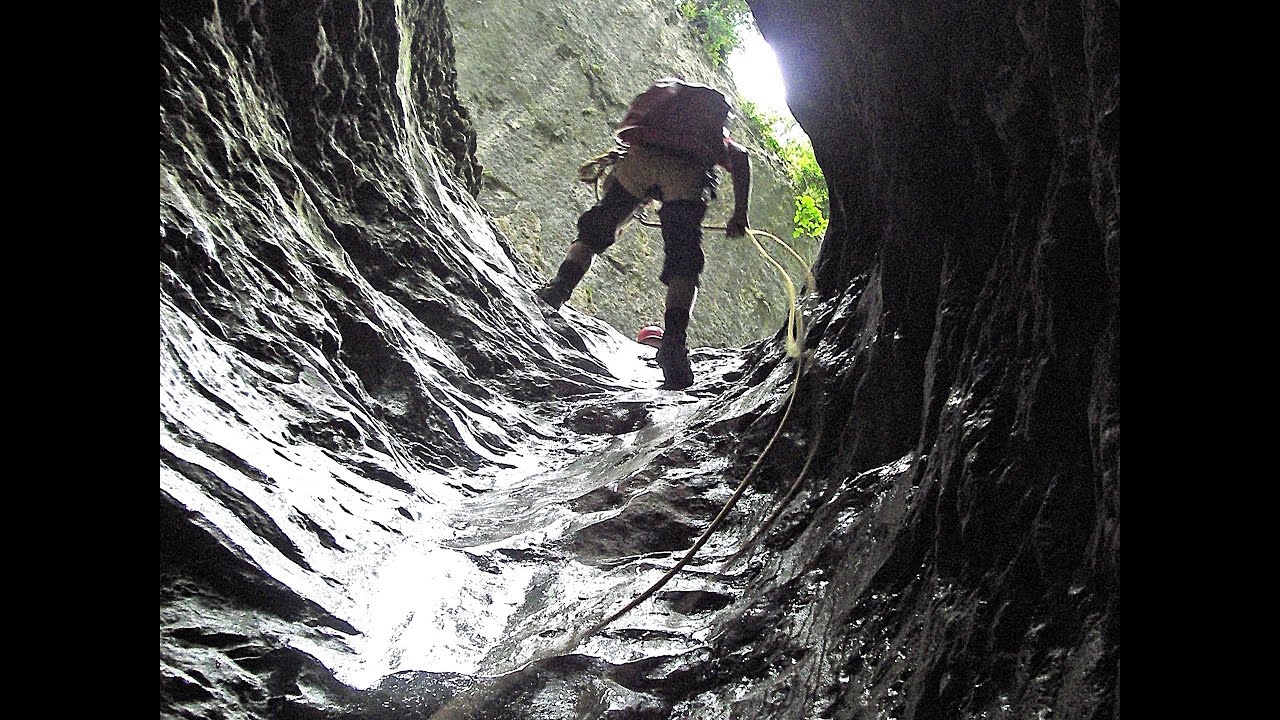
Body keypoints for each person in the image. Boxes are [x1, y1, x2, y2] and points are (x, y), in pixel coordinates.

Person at [535, 78, 751, 390]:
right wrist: (740, 213)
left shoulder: (656, 121)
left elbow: (614, 194)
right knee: (684, 266)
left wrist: (618, 214)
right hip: (686, 173)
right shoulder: (708, 134)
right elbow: (741, 156)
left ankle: (558, 289)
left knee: (593, 233)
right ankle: (673, 344)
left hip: (639, 160)